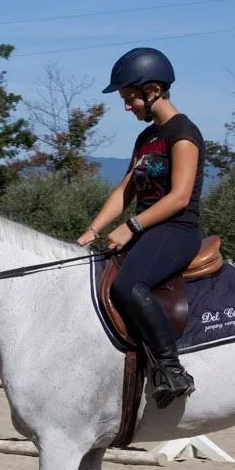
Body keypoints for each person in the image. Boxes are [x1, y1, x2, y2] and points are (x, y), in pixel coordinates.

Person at [75, 46, 205, 408]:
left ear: (153, 91)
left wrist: (131, 226)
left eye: (129, 98)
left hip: (176, 230)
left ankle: (171, 369)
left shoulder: (183, 133)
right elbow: (125, 190)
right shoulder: (146, 138)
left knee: (129, 284)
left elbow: (179, 197)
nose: (126, 106)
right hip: (147, 229)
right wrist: (93, 230)